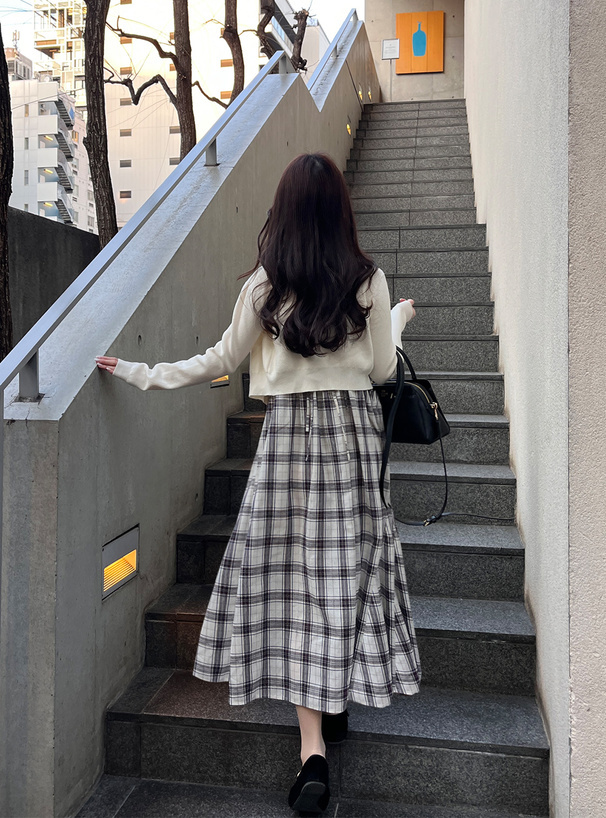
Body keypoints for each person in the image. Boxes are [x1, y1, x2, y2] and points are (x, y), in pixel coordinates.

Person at [96, 152, 421, 816]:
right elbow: (384, 371)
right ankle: (333, 699)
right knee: (345, 573)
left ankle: (312, 750)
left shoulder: (265, 287)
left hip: (288, 446)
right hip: (353, 440)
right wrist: (399, 317)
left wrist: (139, 372)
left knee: (296, 584)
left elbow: (219, 360)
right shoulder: (368, 280)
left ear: (286, 211)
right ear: (340, 211)